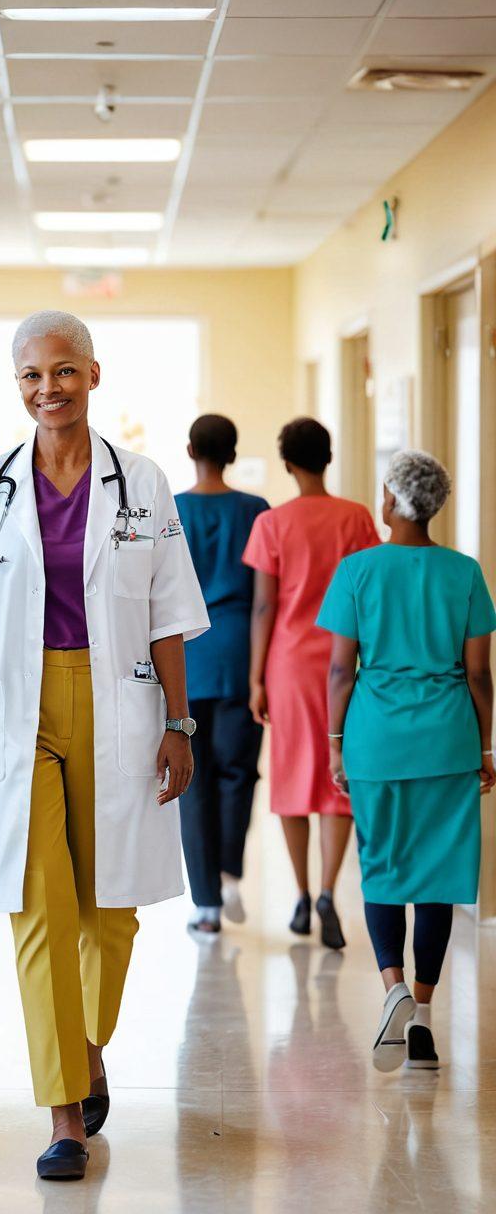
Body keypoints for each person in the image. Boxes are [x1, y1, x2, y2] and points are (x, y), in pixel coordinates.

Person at [0, 310, 208, 1180]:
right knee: (37, 909)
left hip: (118, 699)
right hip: (15, 707)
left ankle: (86, 1048)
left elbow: (167, 613)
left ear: (93, 373)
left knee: (110, 910)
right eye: (31, 377)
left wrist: (177, 720)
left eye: (62, 372)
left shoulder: (145, 483)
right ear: (19, 386)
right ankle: (64, 1117)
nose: (48, 389)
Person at [318, 450, 495, 1071]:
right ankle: (420, 1014)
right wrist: (485, 748)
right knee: (438, 880)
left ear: (391, 501)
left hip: (377, 741)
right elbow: (479, 674)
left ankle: (391, 984)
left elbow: (342, 668)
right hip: (447, 740)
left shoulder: (358, 571)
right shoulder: (464, 573)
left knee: (384, 868)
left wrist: (336, 742)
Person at [243, 417, 379, 948]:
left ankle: (299, 897)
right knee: (337, 773)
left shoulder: (273, 524)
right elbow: (367, 594)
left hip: (290, 663)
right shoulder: (357, 518)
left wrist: (256, 678)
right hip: (344, 662)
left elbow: (263, 606)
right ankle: (327, 892)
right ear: (328, 457)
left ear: (289, 464)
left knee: (293, 775)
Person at [175, 414, 269, 934]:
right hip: (240, 652)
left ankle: (206, 903)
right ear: (232, 452)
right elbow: (264, 599)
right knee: (240, 770)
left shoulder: (170, 509)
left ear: (190, 450)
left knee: (196, 778)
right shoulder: (255, 510)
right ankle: (231, 870)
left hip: (186, 654)